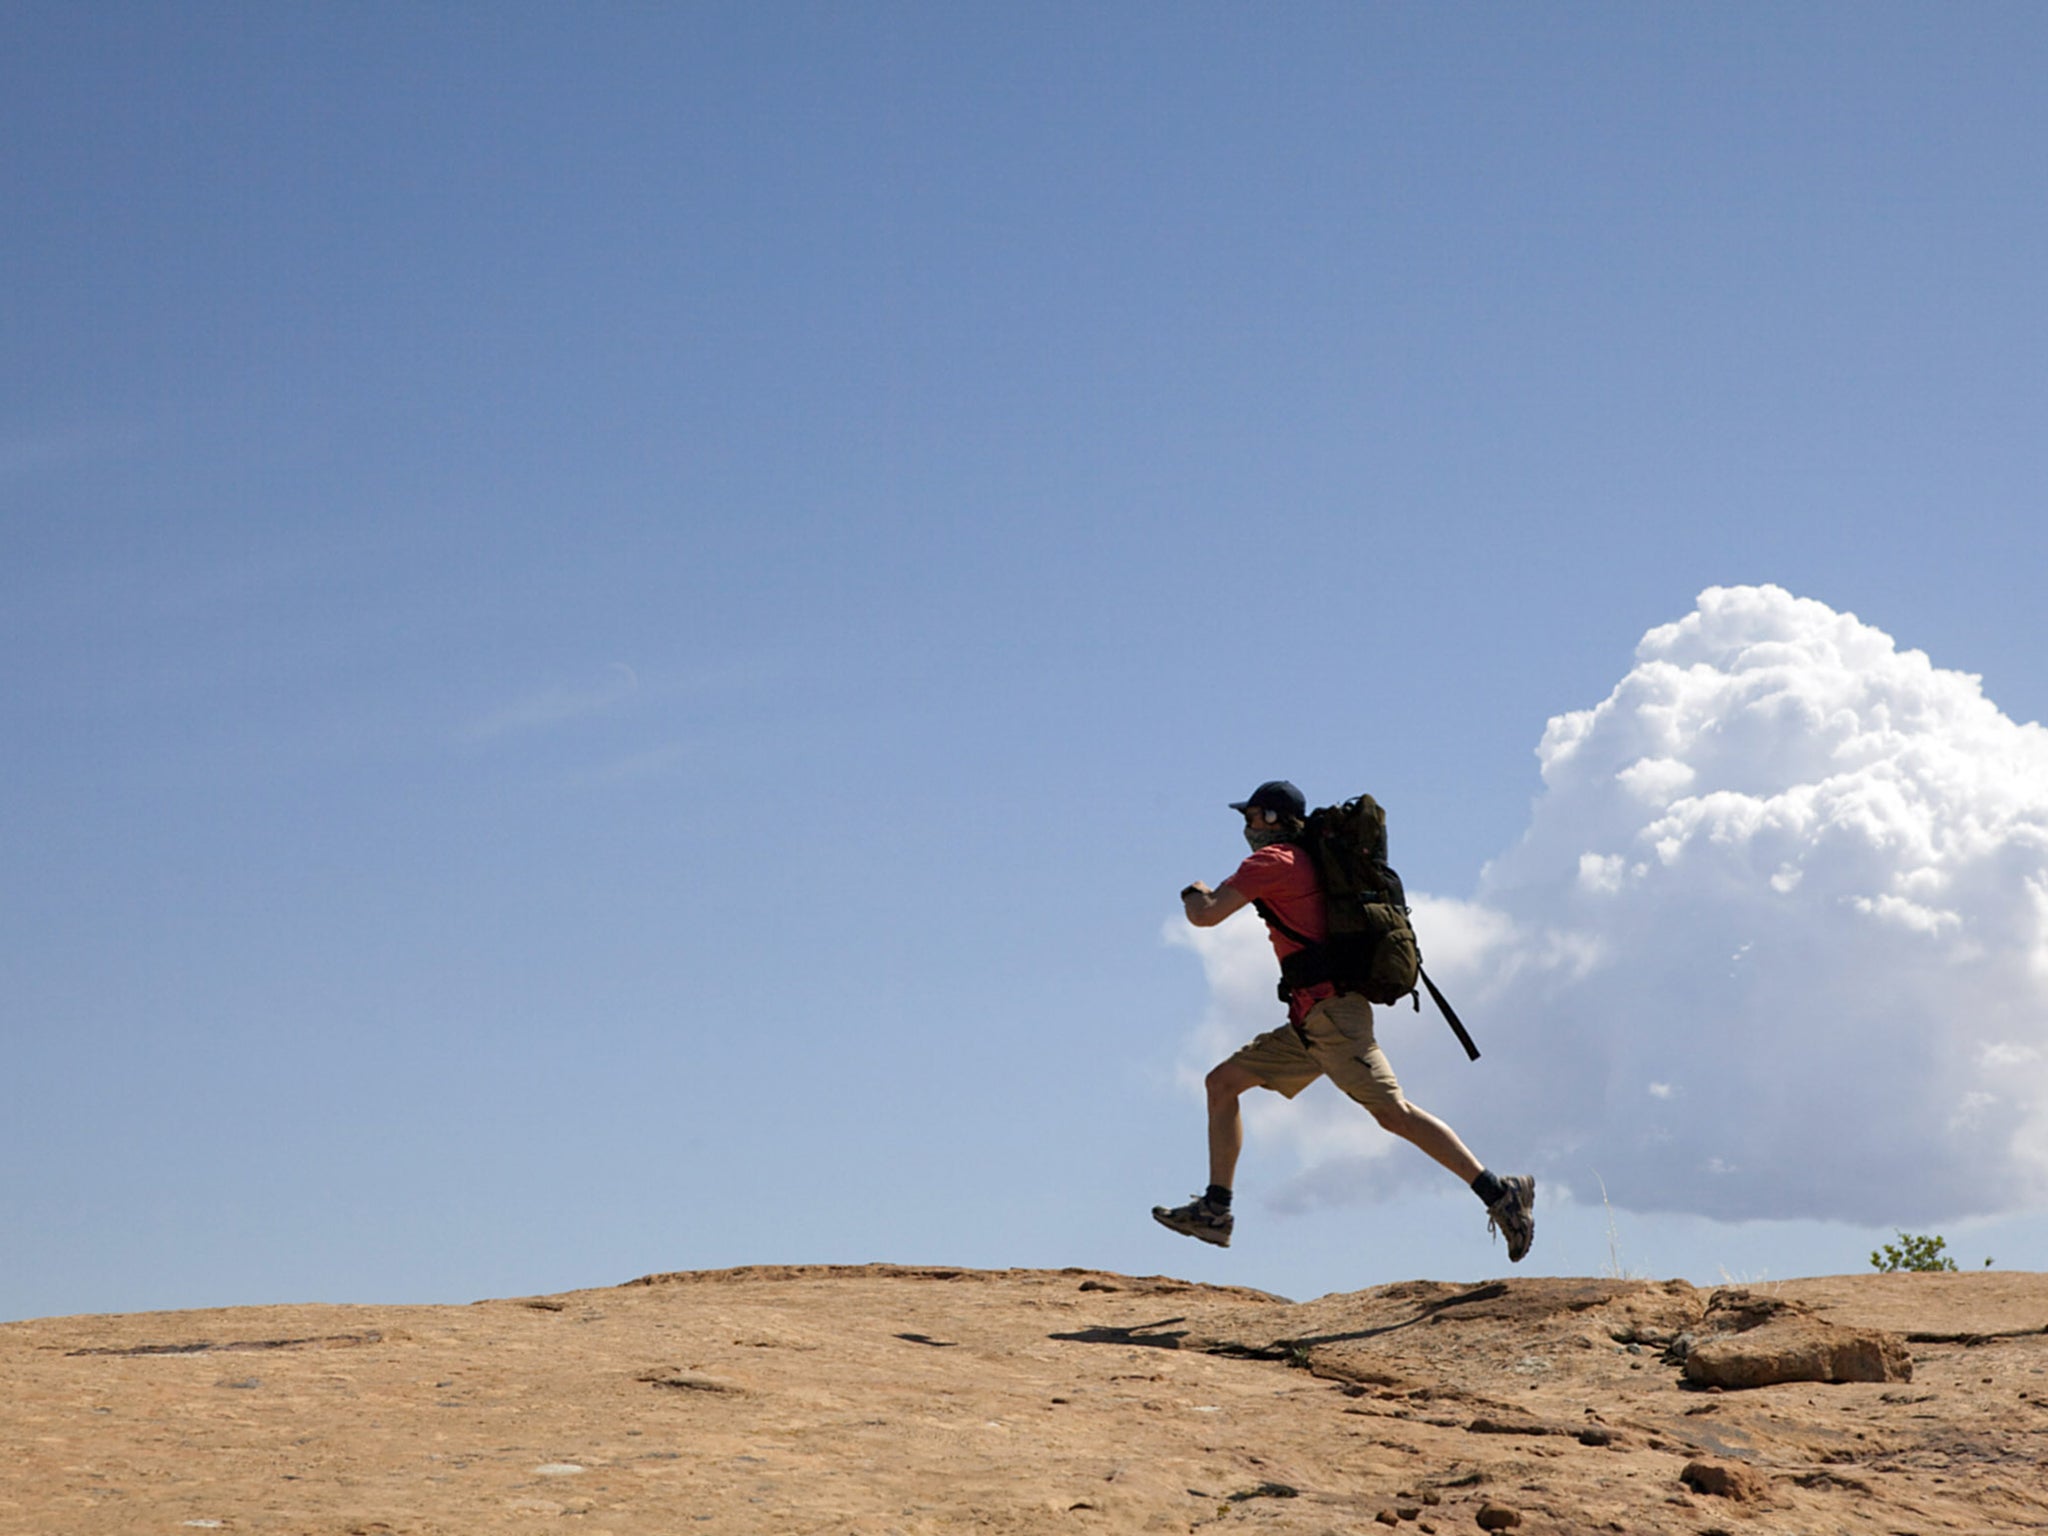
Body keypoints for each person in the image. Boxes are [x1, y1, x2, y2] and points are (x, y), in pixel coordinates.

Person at [1153, 780, 1536, 1262]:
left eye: (1251, 817)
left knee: (1394, 1113)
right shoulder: (1309, 860)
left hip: (1332, 1019)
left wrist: (1194, 891)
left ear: (1272, 820)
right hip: (1312, 1020)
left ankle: (1501, 1194)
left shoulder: (1272, 862)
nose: (1246, 827)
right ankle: (1216, 1210)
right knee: (1223, 1083)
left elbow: (1205, 916)